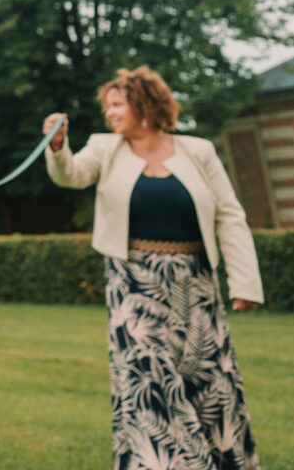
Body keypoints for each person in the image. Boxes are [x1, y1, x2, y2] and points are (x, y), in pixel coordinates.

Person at [44, 66, 262, 470]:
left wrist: (245, 281)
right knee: (149, 383)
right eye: (107, 107)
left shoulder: (198, 151)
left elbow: (229, 215)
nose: (109, 114)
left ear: (143, 104)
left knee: (208, 382)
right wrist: (58, 148)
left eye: (116, 104)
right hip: (133, 286)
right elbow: (72, 175)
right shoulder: (104, 148)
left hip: (196, 284)